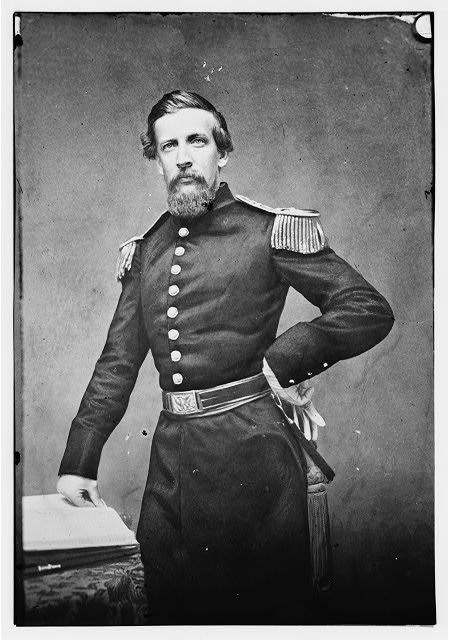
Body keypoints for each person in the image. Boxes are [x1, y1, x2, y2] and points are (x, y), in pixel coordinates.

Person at [57, 90, 394, 624]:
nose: (183, 157)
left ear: (223, 153)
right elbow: (117, 363)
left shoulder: (268, 230)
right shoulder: (147, 250)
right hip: (170, 467)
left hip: (254, 462)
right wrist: (80, 462)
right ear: (157, 161)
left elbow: (367, 309)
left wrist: (284, 360)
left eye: (197, 141)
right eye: (169, 146)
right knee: (167, 614)